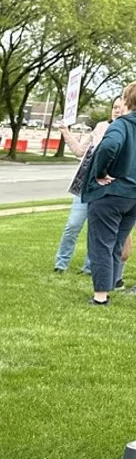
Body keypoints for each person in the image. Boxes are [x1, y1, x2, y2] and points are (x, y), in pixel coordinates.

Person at [53, 98, 125, 275]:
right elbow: (79, 151)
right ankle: (61, 263)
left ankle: (89, 267)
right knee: (73, 225)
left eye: (120, 108)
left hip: (108, 190)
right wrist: (65, 131)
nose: (116, 111)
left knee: (98, 231)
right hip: (87, 186)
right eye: (114, 107)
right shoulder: (101, 126)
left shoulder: (128, 131)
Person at [83, 81, 136, 306]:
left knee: (101, 243)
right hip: (133, 197)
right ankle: (111, 282)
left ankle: (101, 296)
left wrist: (100, 172)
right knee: (116, 243)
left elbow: (108, 146)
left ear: (127, 100)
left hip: (112, 192)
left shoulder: (121, 124)